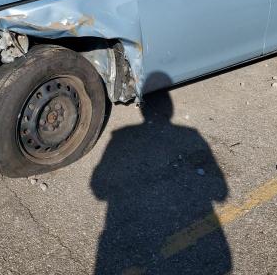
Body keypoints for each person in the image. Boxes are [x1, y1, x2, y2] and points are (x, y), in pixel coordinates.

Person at [91, 72, 232, 274]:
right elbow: (221, 194)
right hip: (194, 247)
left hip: (125, 241)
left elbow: (98, 189)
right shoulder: (190, 134)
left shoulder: (120, 136)